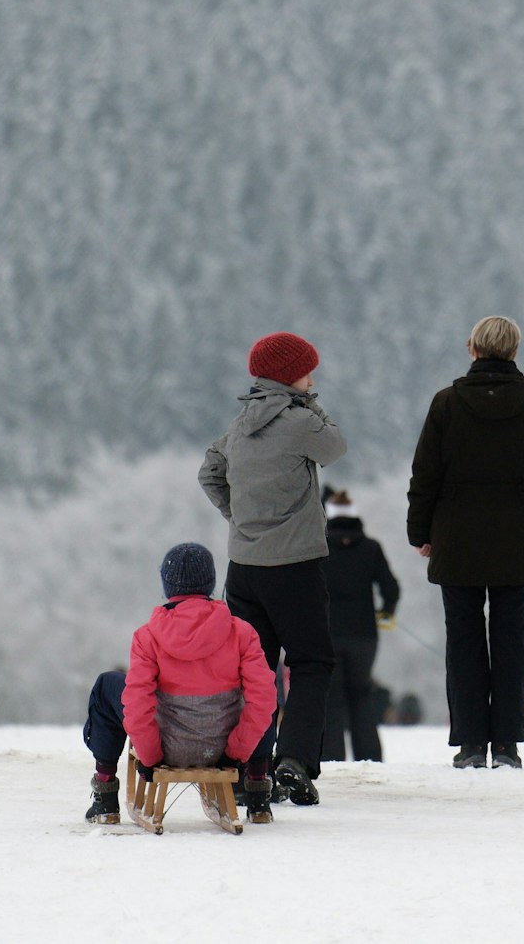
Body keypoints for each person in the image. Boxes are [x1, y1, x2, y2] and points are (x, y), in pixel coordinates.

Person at [406, 316, 524, 771]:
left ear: (471, 348)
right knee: (511, 641)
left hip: (456, 539)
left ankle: (471, 744)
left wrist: (420, 532)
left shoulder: (446, 405)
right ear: (515, 352)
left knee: (463, 641)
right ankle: (507, 746)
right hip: (518, 543)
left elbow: (425, 476)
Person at [198, 331, 346, 807]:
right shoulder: (301, 422)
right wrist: (312, 406)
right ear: (290, 377)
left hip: (244, 566)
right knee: (310, 662)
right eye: (307, 371)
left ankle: (246, 767)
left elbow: (210, 473)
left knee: (252, 670)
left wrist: (238, 517)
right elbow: (336, 447)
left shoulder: (241, 424)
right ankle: (295, 764)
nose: (312, 377)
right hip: (296, 565)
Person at [82, 543, 277, 825]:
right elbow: (263, 701)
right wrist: (236, 753)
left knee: (107, 685)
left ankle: (105, 796)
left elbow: (137, 705)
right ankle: (258, 791)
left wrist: (150, 758)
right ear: (210, 583)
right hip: (224, 746)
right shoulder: (241, 632)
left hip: (166, 746)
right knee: (262, 690)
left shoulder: (147, 636)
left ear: (168, 585)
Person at [318, 489, 400, 763]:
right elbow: (391, 588)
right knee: (361, 694)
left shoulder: (319, 547)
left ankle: (332, 758)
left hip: (327, 633)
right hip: (364, 635)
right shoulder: (371, 548)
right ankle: (370, 758)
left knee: (331, 697)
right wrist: (386, 612)